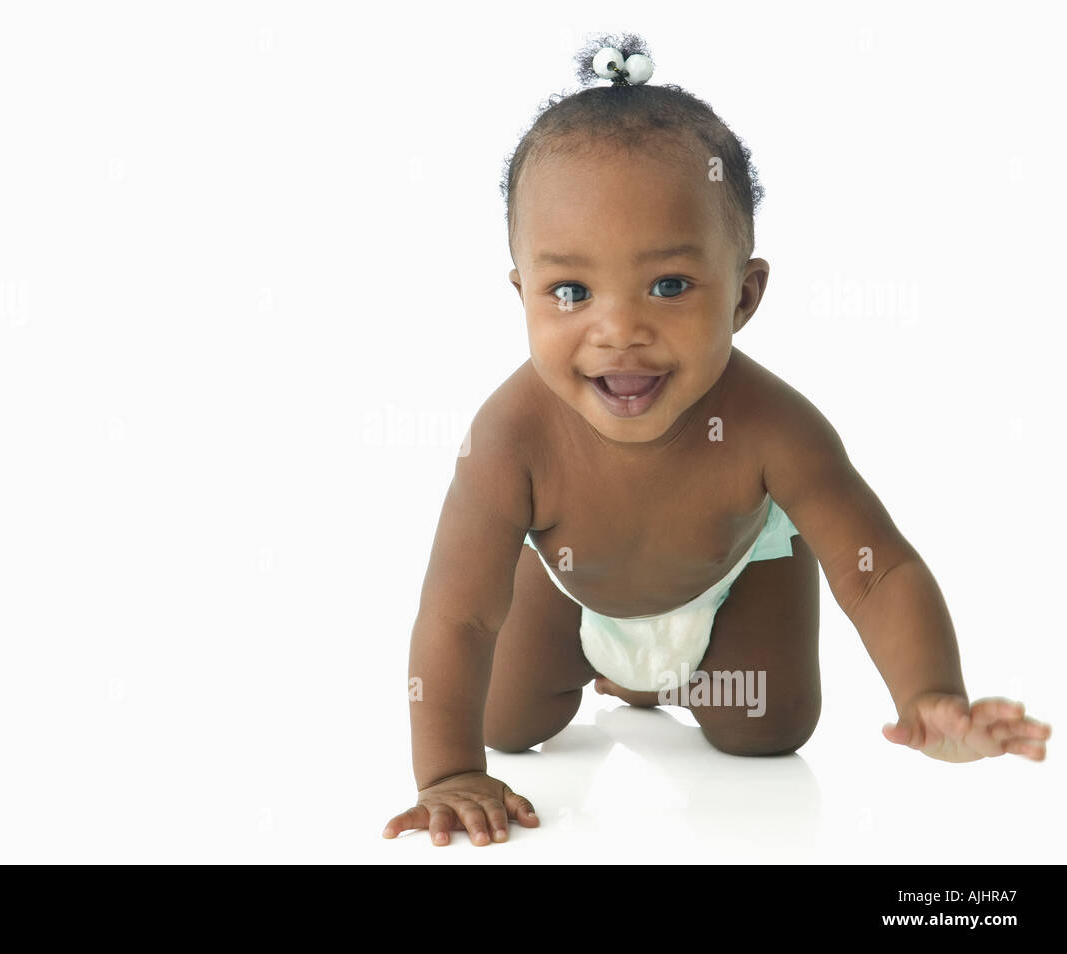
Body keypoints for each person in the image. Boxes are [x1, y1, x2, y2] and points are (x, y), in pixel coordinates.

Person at [382, 33, 1051, 847]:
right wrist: (448, 772)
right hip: (569, 590)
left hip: (732, 584)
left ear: (744, 294)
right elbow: (457, 618)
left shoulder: (776, 426)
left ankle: (673, 680)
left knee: (765, 729)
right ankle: (611, 670)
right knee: (505, 723)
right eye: (570, 289)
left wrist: (931, 695)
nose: (619, 329)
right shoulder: (509, 436)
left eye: (669, 285)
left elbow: (880, 573)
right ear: (521, 289)